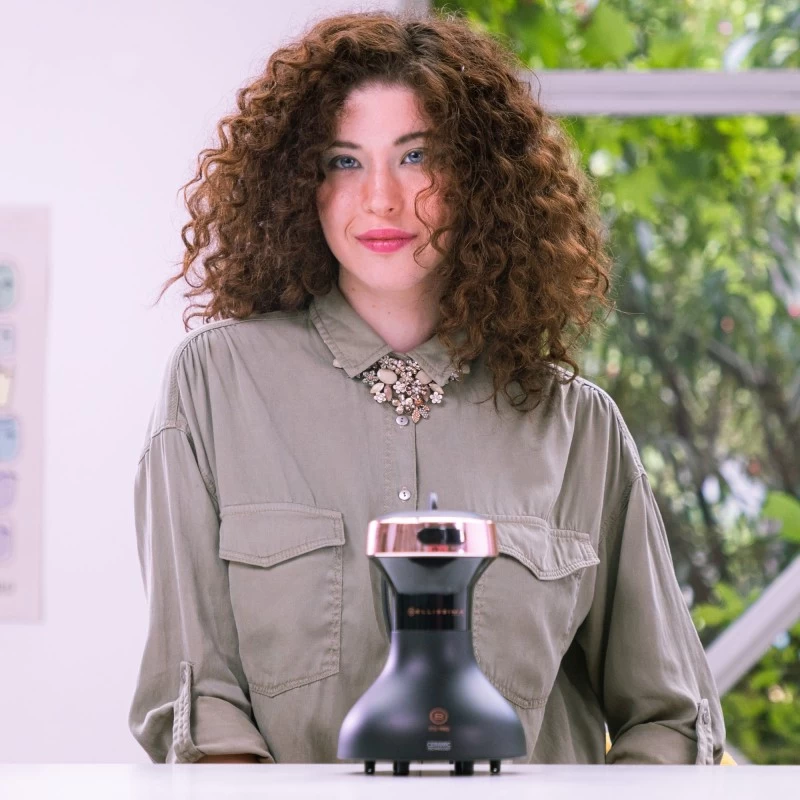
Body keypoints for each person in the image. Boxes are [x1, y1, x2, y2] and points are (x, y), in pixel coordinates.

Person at [129, 9, 726, 765]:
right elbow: (199, 708)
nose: (381, 197)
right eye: (344, 161)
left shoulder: (578, 426)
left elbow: (671, 719)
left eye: (417, 156)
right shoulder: (214, 387)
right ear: (299, 183)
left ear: (481, 177)